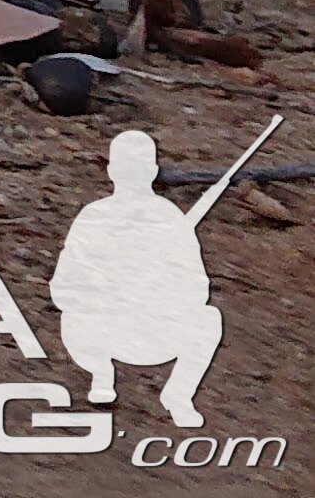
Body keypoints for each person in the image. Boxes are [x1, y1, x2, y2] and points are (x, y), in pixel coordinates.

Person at [49, 127, 227, 431]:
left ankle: (178, 396)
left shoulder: (169, 219)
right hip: (99, 331)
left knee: (208, 319)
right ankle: (101, 374)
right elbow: (63, 287)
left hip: (153, 331)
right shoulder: (95, 216)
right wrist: (105, 291)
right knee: (76, 316)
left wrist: (156, 291)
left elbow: (197, 287)